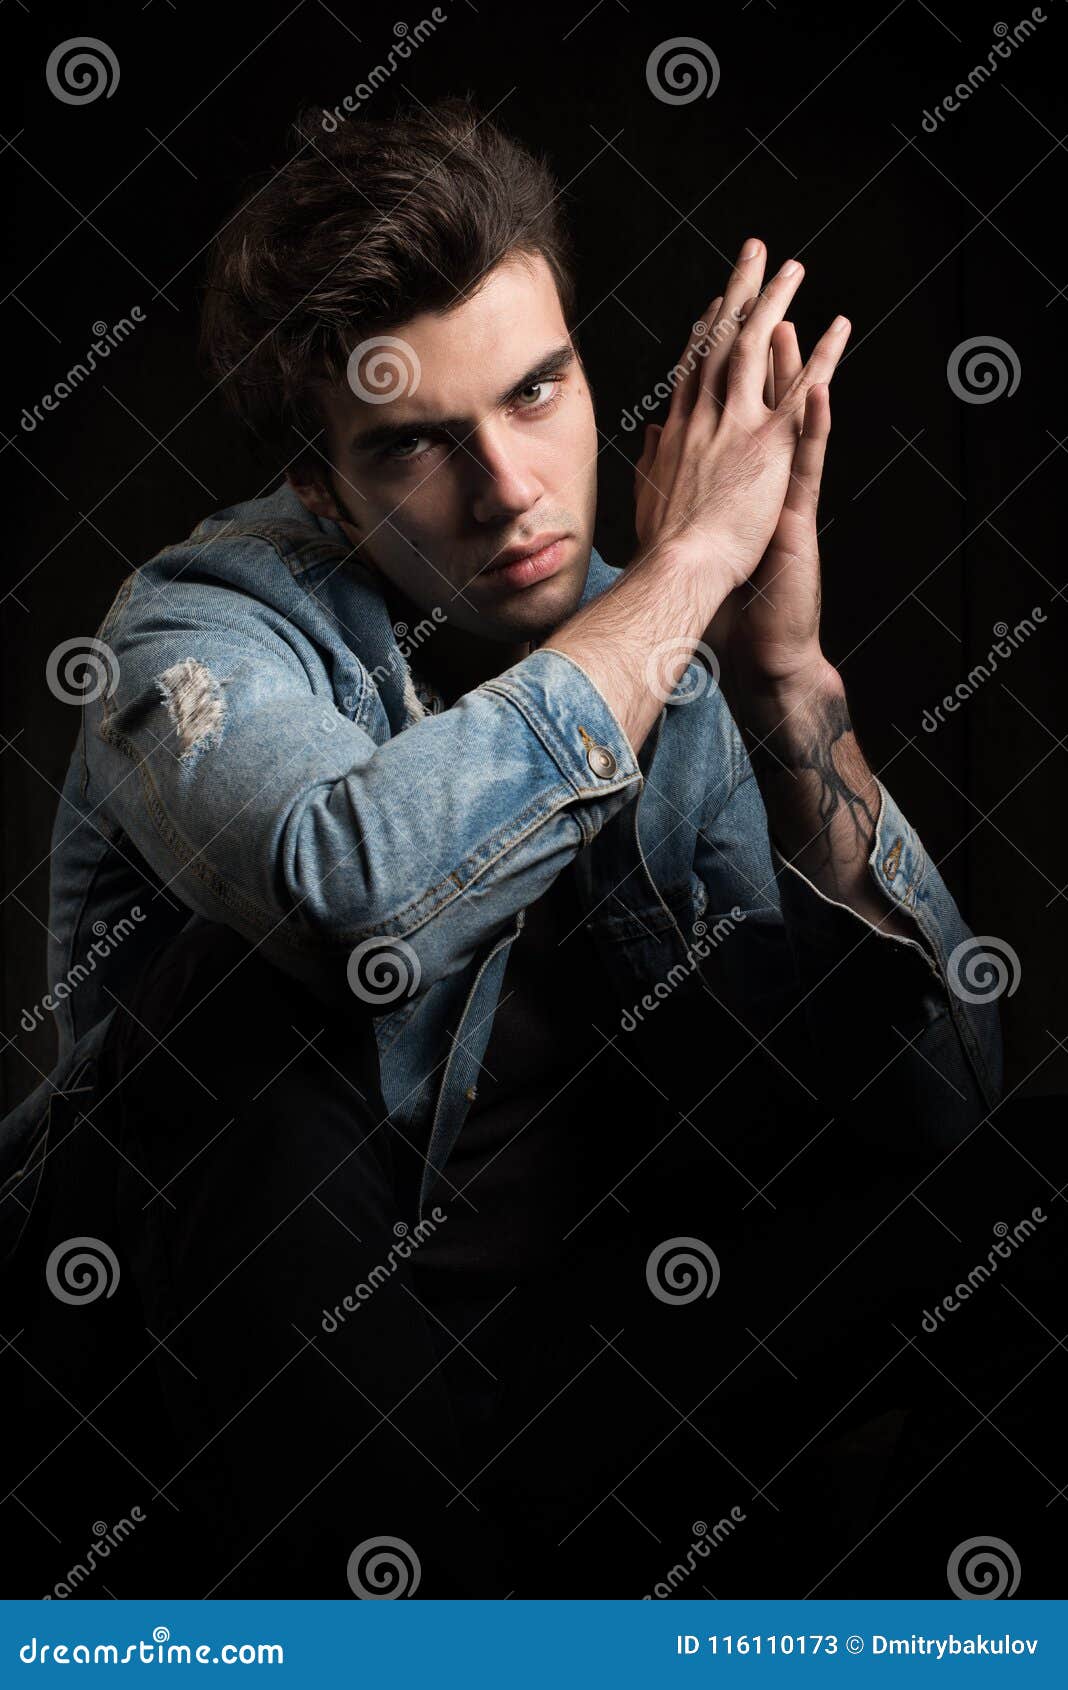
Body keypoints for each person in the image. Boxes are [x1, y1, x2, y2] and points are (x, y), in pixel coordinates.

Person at [2, 96, 1009, 1597]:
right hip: (227, 1410)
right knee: (233, 1006)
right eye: (418, 444)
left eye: (539, 392)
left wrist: (784, 677)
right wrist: (684, 580)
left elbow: (945, 1120)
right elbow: (351, 892)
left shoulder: (674, 627)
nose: (511, 490)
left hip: (559, 1374)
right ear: (320, 482)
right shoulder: (193, 630)